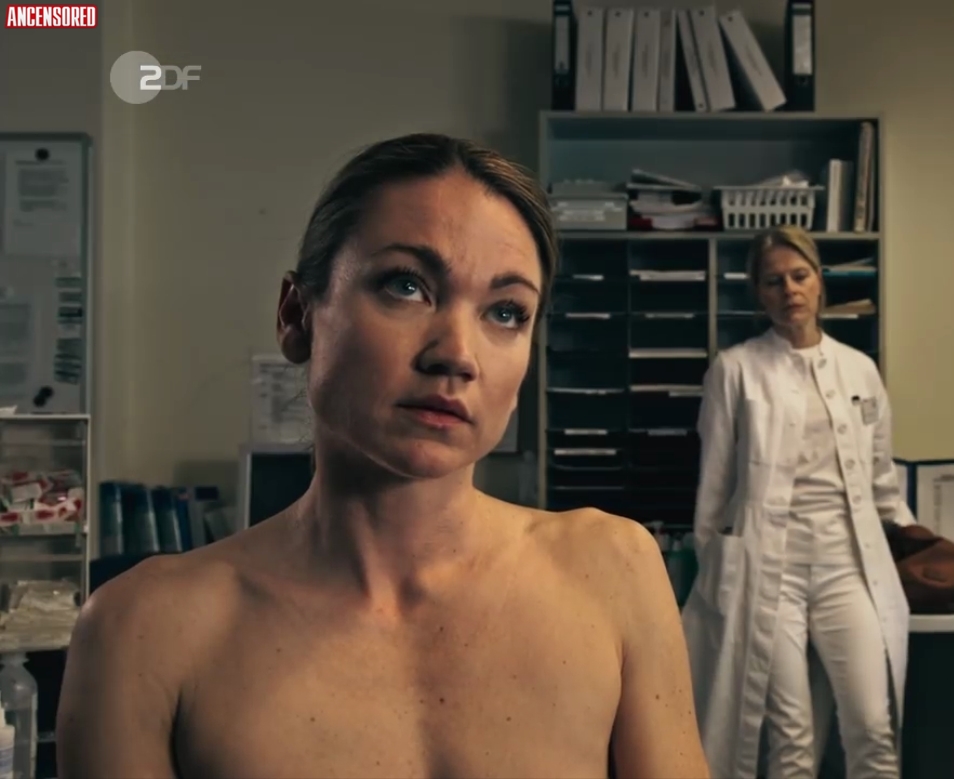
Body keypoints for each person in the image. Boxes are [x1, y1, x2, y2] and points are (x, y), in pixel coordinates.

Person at [57, 133, 709, 779]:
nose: (457, 354)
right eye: (406, 285)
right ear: (296, 315)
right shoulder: (143, 632)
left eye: (507, 312)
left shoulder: (611, 572)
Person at [681, 226, 914, 779]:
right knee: (792, 740)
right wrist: (715, 569)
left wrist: (920, 547)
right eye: (773, 281)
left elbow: (882, 482)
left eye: (799, 275)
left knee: (872, 727)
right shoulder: (735, 369)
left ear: (819, 281)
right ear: (758, 293)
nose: (789, 290)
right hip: (770, 573)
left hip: (846, 568)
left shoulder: (859, 370)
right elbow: (714, 486)